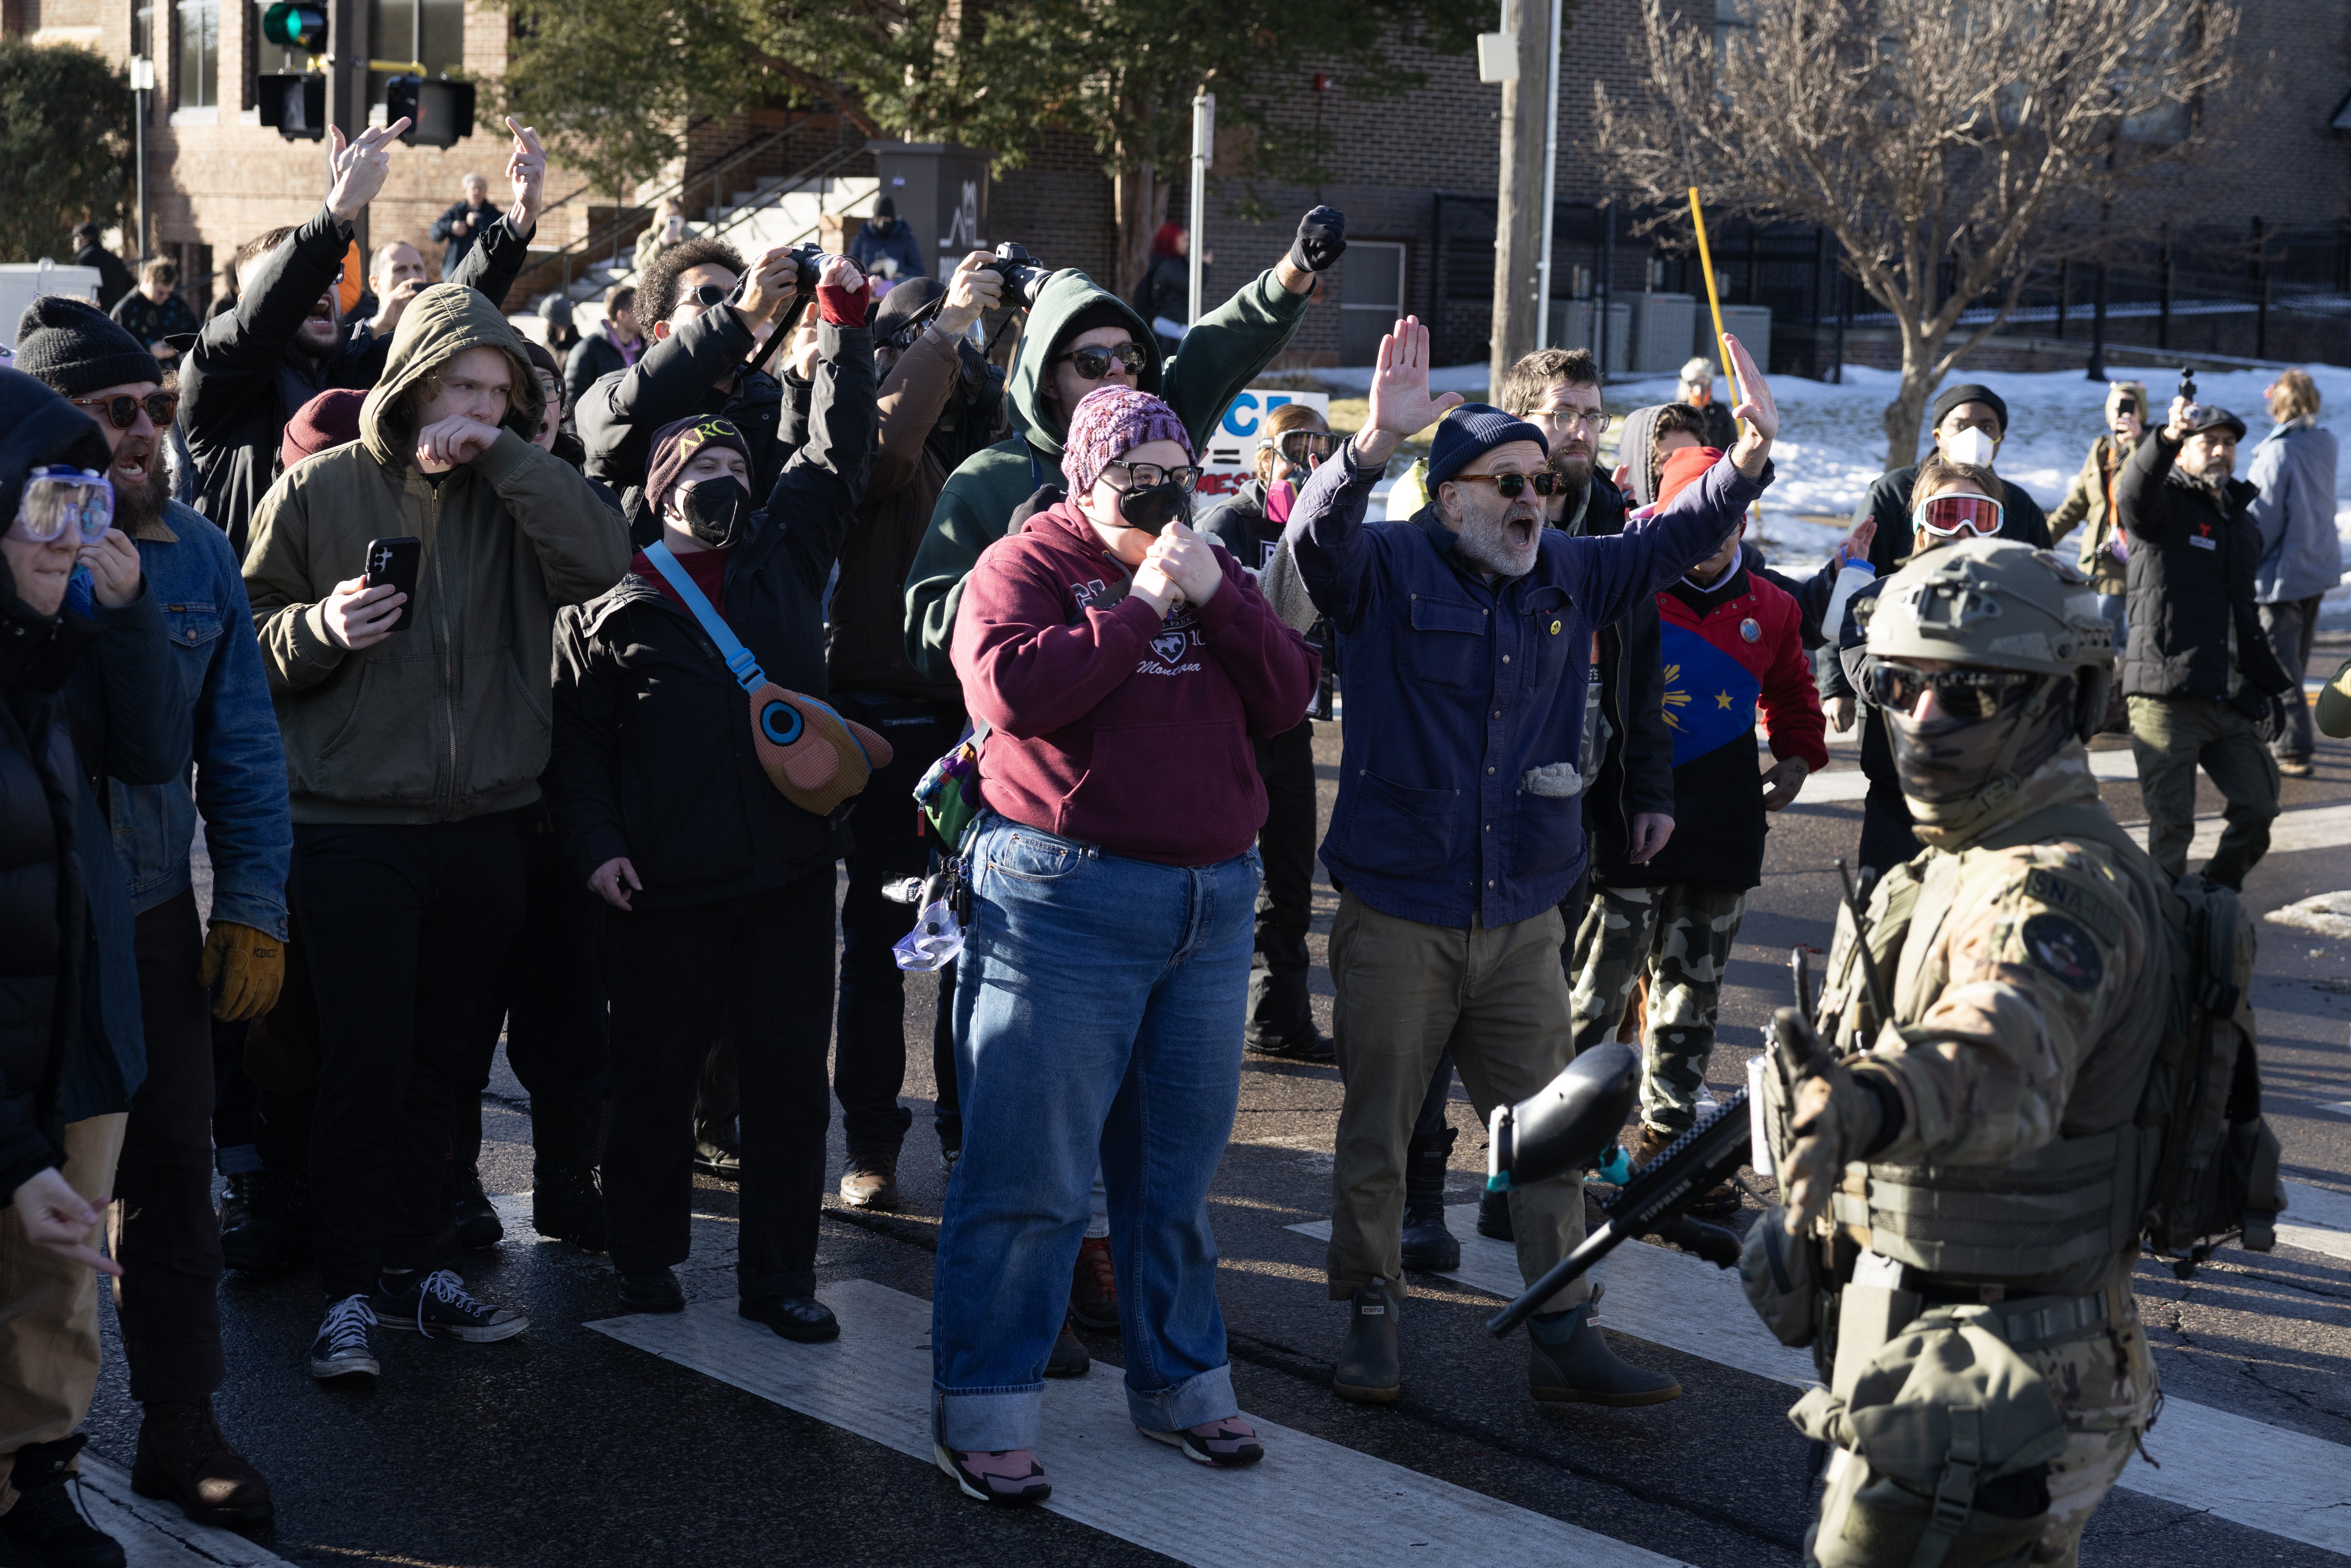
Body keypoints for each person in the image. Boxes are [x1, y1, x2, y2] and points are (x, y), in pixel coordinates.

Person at [1290, 319, 1778, 1409]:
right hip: (1399, 907)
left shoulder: (1567, 568)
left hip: (1520, 913)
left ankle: (1562, 1328)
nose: (1529, 501)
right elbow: (1315, 545)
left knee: (1550, 1134)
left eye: (1541, 486)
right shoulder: (1385, 565)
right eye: (1504, 482)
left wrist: (1745, 456)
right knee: (1376, 1132)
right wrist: (1367, 443)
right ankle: (1370, 1314)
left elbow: (1663, 539)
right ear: (1447, 493)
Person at [931, 383, 1319, 1505]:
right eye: (1135, 470)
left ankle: (1183, 1381)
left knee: (1173, 1178)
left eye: (1177, 467)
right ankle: (987, 1407)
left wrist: (1218, 598)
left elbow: (1289, 696)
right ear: (1083, 473)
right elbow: (1010, 691)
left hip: (1206, 904)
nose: (1160, 487)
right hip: (1064, 903)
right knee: (1032, 1177)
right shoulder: (1026, 562)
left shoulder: (1210, 559)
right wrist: (1141, 604)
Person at [242, 277, 630, 1385]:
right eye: (460, 384)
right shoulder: (318, 490)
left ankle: (413, 1269)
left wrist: (508, 457)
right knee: (363, 1063)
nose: (476, 407)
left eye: (498, 392)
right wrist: (322, 626)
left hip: (491, 826)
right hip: (353, 827)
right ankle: (350, 1290)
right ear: (412, 382)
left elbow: (604, 564)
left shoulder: (520, 490)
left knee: (449, 1065)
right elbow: (250, 639)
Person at [1774, 537, 2166, 1568]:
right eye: (1896, 685)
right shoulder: (1967, 848)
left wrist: (1873, 1101)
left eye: (1975, 694)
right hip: (1952, 1349)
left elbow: (2001, 1046)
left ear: (2064, 702)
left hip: (2007, 1371)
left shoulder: (2050, 883)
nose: (1923, 723)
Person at [550, 255, 877, 1332]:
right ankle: (646, 1258)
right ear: (659, 494)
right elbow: (578, 749)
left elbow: (836, 452)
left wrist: (839, 327)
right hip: (663, 888)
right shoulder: (612, 601)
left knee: (787, 1088)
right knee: (652, 1084)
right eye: (700, 462)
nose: (724, 475)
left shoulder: (785, 552)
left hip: (786, 873)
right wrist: (597, 845)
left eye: (736, 456)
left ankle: (781, 1278)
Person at [14, 300, 291, 1527]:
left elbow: (235, 743)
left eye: (154, 409)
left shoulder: (191, 551)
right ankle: (40, 1462)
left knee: (174, 1177)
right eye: (111, 412)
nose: (142, 435)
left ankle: (181, 1424)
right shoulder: (25, 542)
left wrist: (252, 903)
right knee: (33, 1198)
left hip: (143, 918)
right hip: (23, 933)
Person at [0, 367, 186, 1568]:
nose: (77, 531)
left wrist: (121, 620)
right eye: (48, 502)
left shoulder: (46, 644)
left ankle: (38, 1481)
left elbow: (153, 748)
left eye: (89, 497)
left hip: (67, 1021)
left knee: (58, 1285)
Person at [903, 206, 1344, 687]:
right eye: (1092, 361)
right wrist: (1012, 562)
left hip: (1178, 715)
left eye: (1130, 356)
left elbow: (1219, 347)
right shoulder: (988, 479)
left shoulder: (1160, 440)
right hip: (1066, 740)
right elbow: (926, 638)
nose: (1117, 370)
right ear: (1048, 380)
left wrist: (1294, 272)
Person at [1569, 443, 1826, 1212]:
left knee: (1692, 994)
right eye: (1696, 515)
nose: (1714, 534)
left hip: (1721, 826)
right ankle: (1572, 1138)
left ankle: (1668, 1140)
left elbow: (1791, 690)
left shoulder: (1773, 606)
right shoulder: (1624, 589)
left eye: (1729, 518)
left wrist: (1796, 755)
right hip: (1621, 821)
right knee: (1597, 990)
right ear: (1666, 516)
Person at [829, 256, 1004, 1211]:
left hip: (972, 721)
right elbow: (887, 451)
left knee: (975, 941)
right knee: (881, 938)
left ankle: (965, 1130)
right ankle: (872, 1140)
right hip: (883, 716)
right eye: (941, 338)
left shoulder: (985, 443)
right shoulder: (867, 435)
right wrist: (947, 330)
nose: (965, 355)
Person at [183, 115, 546, 555]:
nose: (316, 288)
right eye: (287, 279)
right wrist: (337, 215)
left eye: (328, 276)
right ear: (247, 301)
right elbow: (261, 323)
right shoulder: (217, 379)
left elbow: (449, 314)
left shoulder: (366, 367)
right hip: (258, 612)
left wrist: (518, 223)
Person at [1202, 400, 1338, 1064]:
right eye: (1295, 442)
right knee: (1222, 876)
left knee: (1287, 881)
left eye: (1321, 442)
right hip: (1231, 728)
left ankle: (1279, 1019)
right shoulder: (1231, 520)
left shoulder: (1322, 527)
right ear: (1264, 454)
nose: (1309, 454)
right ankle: (1205, 1018)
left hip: (1290, 726)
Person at [2117, 395, 2292, 890]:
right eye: (2209, 442)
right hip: (2166, 698)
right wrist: (2166, 438)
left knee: (2259, 807)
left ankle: (2211, 900)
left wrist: (2265, 686)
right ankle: (2162, 937)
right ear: (2186, 450)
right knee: (2172, 830)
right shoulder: (2164, 506)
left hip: (2229, 699)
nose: (2221, 451)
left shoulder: (2243, 523)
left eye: (2229, 444)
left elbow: (2244, 616)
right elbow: (2133, 494)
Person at [1822, 456, 2008, 877]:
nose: (1964, 530)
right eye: (1946, 514)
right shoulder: (1873, 601)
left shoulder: (2019, 604)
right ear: (1920, 524)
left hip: (1993, 803)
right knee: (1888, 930)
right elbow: (1875, 682)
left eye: (1979, 516)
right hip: (1900, 803)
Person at [577, 234, 808, 537]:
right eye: (709, 295)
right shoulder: (613, 392)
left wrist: (806, 381)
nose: (730, 305)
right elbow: (633, 410)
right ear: (664, 330)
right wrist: (740, 316)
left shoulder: (770, 399)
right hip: (651, 580)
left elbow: (807, 494)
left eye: (738, 293)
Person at [2246, 367, 2342, 779]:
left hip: (2281, 575)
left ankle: (2291, 746)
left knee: (2278, 665)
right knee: (2296, 662)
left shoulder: (2277, 453)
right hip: (2315, 567)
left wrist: (2240, 556)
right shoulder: (2325, 443)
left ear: (2277, 405)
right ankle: (2279, 733)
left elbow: (2262, 519)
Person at [1852, 383, 2051, 577]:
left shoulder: (2021, 506)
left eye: (1987, 428)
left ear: (2000, 440)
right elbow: (1858, 575)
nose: (1973, 436)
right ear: (1938, 436)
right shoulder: (1893, 491)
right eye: (1960, 426)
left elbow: (2043, 584)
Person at [2046, 381, 2145, 649]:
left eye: (2130, 408)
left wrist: (2137, 446)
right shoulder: (2102, 450)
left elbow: (2146, 491)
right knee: (2104, 636)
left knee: (2100, 633)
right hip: (2092, 564)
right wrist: (2039, 537)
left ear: (2141, 413)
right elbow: (2076, 503)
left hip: (2127, 564)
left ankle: (2112, 688)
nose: (2122, 415)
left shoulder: (2151, 451)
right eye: (2116, 408)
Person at [110, 258, 200, 367]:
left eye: (169, 293)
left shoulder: (176, 304)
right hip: (141, 376)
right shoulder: (125, 310)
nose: (165, 297)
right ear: (147, 281)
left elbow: (195, 334)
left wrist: (185, 347)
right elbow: (114, 350)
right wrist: (149, 350)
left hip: (175, 375)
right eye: (160, 293)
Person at [566, 284, 640, 413]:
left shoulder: (645, 348)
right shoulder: (587, 350)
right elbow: (571, 399)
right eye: (640, 309)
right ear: (622, 316)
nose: (645, 314)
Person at [357, 239, 432, 346]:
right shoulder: (353, 327)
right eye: (401, 269)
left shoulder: (437, 318)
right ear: (375, 283)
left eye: (418, 268)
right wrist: (379, 328)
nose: (413, 276)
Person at [429, 172, 499, 280]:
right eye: (474, 188)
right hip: (454, 270)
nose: (477, 192)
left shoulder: (493, 214)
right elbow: (434, 232)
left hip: (482, 271)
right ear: (465, 191)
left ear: (485, 192)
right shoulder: (457, 212)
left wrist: (480, 220)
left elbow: (500, 234)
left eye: (481, 189)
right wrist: (451, 227)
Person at [1140, 225, 1191, 354]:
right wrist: (1205, 267)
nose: (1188, 245)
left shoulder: (1175, 263)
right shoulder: (1169, 266)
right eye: (1184, 240)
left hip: (1174, 323)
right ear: (1173, 241)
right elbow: (1189, 283)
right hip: (1169, 324)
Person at [849, 197, 924, 283]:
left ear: (893, 219)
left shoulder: (905, 237)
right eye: (879, 219)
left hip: (895, 291)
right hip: (870, 290)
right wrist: (866, 277)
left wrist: (897, 267)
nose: (882, 223)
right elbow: (851, 265)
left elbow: (919, 273)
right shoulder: (864, 236)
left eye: (886, 219)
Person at [72, 223, 137, 313]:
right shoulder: (113, 258)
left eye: (74, 239)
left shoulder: (85, 259)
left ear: (82, 238)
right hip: (117, 317)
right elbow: (132, 286)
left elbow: (82, 293)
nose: (73, 243)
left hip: (97, 316)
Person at [1676, 356, 1738, 451]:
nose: (1700, 389)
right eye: (1695, 382)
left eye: (1705, 382)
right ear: (1687, 385)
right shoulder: (1678, 413)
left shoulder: (1721, 413)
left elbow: (1732, 446)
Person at [633, 197, 690, 278]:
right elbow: (642, 266)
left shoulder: (687, 234)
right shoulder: (648, 237)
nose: (672, 219)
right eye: (669, 215)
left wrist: (684, 232)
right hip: (656, 281)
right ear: (661, 215)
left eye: (676, 215)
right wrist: (660, 244)